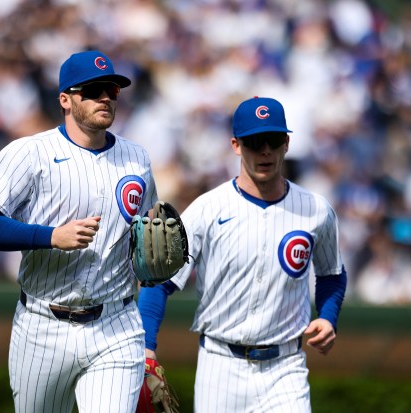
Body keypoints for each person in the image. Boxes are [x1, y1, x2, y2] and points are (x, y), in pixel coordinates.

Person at [0, 50, 158, 413]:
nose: (105, 97)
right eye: (94, 89)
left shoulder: (138, 159)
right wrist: (50, 236)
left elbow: (148, 240)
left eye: (112, 90)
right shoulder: (30, 152)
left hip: (116, 324)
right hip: (43, 325)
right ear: (65, 99)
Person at [138, 96, 347, 412]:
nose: (265, 150)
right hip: (221, 366)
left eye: (273, 140)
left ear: (286, 144)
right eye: (254, 142)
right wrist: (146, 347)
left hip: (286, 367)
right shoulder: (208, 209)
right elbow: (159, 282)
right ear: (236, 145)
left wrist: (328, 317)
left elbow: (332, 273)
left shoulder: (316, 210)